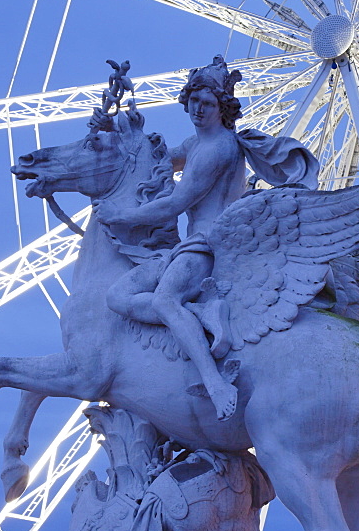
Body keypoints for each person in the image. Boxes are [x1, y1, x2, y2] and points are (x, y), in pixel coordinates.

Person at [94, 56, 318, 421]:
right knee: (117, 296)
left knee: (166, 301)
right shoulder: (197, 143)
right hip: (186, 246)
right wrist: (117, 130)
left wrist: (123, 215)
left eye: (207, 104)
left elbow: (179, 201)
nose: (198, 109)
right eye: (193, 101)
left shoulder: (219, 148)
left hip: (210, 244)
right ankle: (201, 312)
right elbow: (156, 159)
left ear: (222, 108)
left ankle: (214, 382)